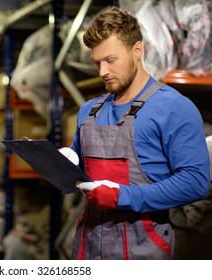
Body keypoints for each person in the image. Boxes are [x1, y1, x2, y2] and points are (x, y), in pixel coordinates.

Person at [60, 7, 210, 260]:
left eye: (111, 60)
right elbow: (77, 176)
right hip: (88, 246)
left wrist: (123, 196)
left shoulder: (174, 108)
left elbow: (195, 183)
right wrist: (63, 163)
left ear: (137, 50)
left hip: (142, 249)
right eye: (97, 62)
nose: (102, 72)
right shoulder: (89, 111)